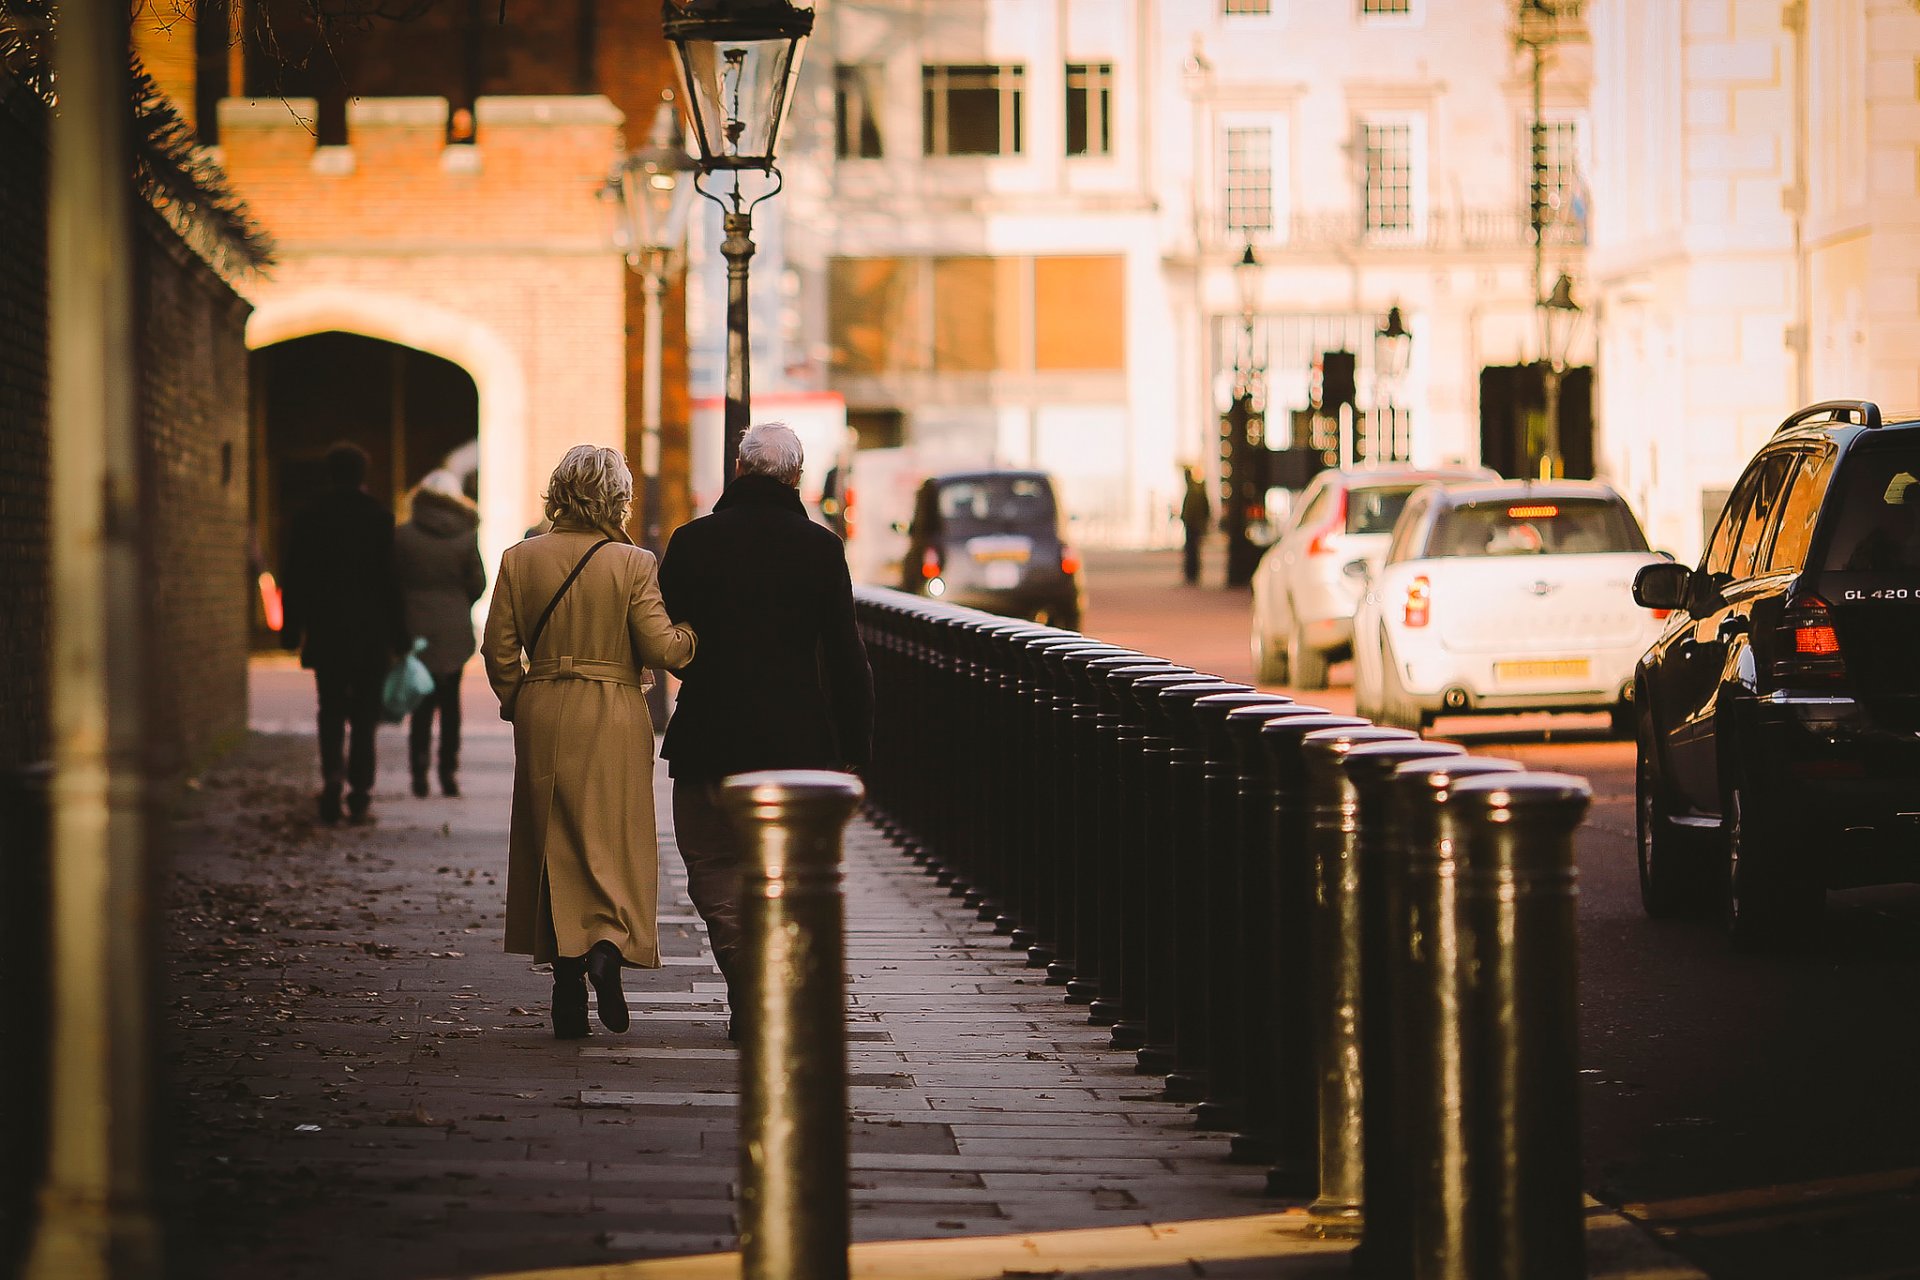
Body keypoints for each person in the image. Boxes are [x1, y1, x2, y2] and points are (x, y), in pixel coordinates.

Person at [659, 421, 873, 1041]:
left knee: (711, 862)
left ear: (738, 470)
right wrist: (855, 745)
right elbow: (844, 652)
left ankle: (747, 976)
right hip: (796, 742)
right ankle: (769, 980)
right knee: (782, 870)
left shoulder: (693, 543)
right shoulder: (820, 548)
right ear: (797, 478)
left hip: (710, 734)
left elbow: (664, 631)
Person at [482, 445, 697, 1040]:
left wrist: (518, 700)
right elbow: (661, 647)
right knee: (614, 836)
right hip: (614, 709)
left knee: (553, 836)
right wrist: (693, 635)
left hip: (545, 703)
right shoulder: (632, 563)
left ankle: (565, 980)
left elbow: (498, 650)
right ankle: (608, 948)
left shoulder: (519, 559)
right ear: (616, 496)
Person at [280, 441, 409, 826]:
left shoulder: (307, 517)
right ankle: (360, 791)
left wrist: (291, 628)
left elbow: (295, 578)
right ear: (362, 474)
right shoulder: (379, 519)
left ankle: (332, 776)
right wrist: (399, 635)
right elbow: (391, 583)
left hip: (326, 630)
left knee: (331, 708)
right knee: (366, 715)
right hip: (370, 633)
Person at [394, 468, 486, 799]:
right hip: (453, 628)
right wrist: (457, 602)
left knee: (420, 700)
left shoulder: (403, 536)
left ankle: (418, 770)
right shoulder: (465, 536)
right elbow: (478, 583)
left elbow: (392, 581)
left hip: (415, 625)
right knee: (450, 703)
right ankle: (448, 771)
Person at [1180, 465, 1212, 585]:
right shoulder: (1194, 489)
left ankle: (1192, 574)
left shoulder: (1195, 490)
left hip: (1193, 525)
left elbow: (1201, 509)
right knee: (1192, 551)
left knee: (1192, 551)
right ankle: (1191, 574)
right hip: (1193, 524)